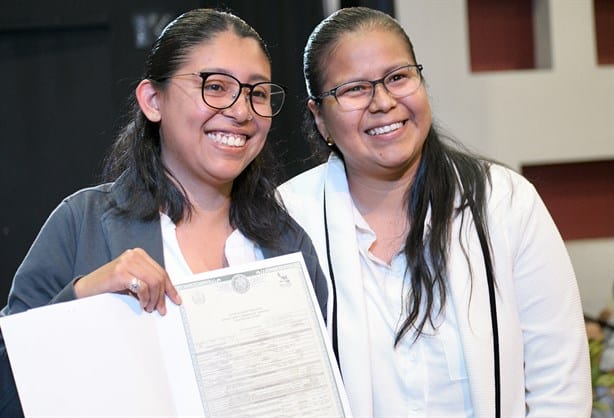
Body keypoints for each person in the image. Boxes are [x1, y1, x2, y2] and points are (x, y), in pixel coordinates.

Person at [0, 8, 327, 416]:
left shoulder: (288, 245)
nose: (242, 111)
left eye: (256, 93)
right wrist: (83, 296)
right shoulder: (81, 222)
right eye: (216, 86)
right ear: (153, 101)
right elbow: (9, 394)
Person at [278, 6, 591, 417]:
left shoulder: (504, 202)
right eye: (354, 89)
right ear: (319, 117)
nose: (383, 102)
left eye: (398, 77)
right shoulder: (284, 219)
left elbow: (559, 388)